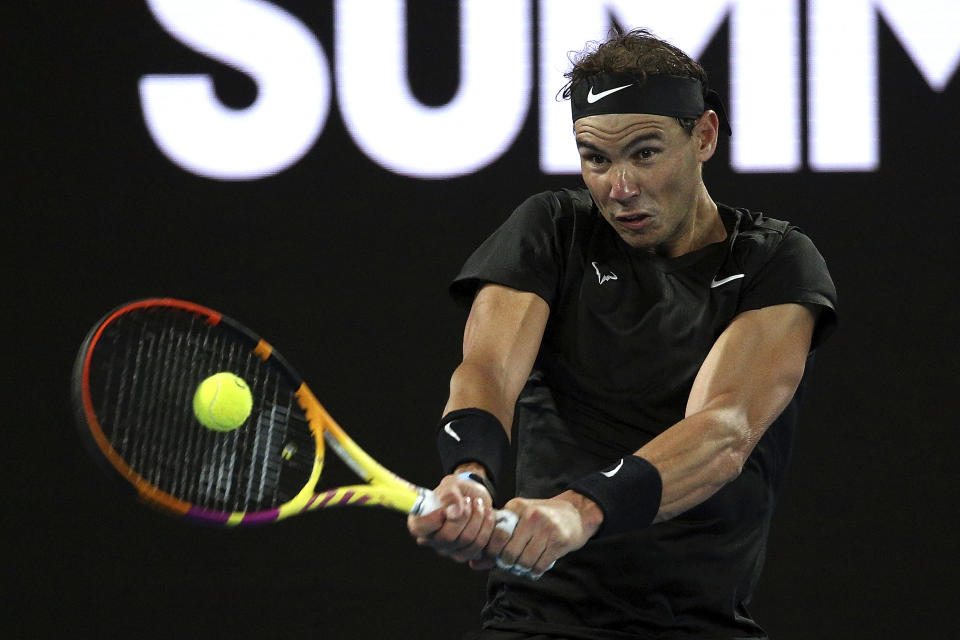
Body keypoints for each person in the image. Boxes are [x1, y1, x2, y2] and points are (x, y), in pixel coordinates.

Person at [408, 28, 837, 640]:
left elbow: (723, 430)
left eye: (645, 153)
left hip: (697, 625)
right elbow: (487, 370)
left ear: (705, 136)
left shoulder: (777, 261)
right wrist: (470, 474)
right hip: (536, 620)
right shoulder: (552, 229)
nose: (620, 187)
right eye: (596, 158)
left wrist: (578, 511)